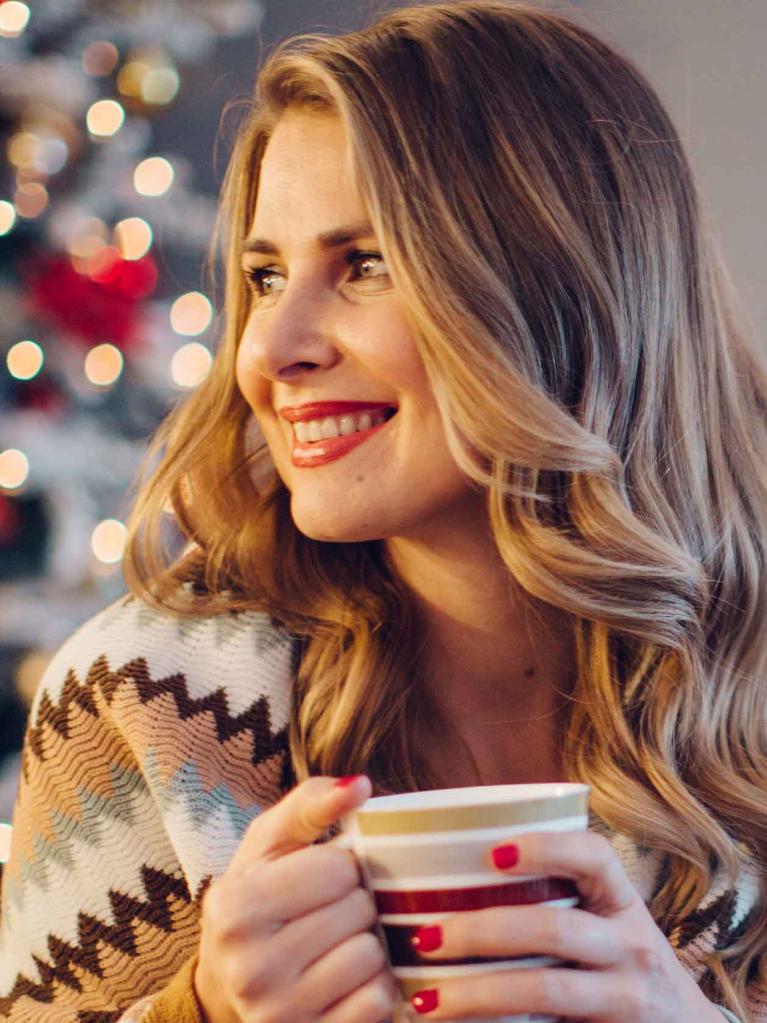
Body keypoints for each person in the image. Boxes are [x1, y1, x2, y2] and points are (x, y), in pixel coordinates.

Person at [1, 1, 765, 1021]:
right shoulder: (146, 704)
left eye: (364, 264)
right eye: (265, 276)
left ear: (562, 291)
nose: (271, 351)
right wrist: (203, 1011)